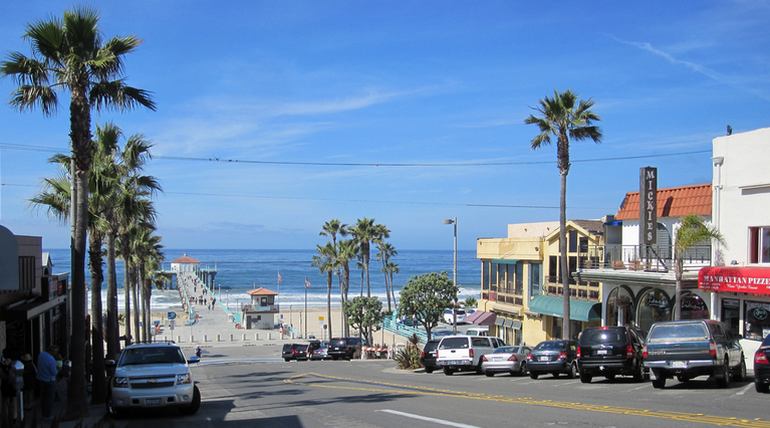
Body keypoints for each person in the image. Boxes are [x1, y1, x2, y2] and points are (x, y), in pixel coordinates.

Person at [36, 346, 58, 419]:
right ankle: (47, 415)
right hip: (49, 381)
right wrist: (58, 369)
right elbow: (54, 372)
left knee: (43, 398)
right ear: (52, 351)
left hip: (41, 379)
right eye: (55, 352)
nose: (56, 353)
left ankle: (43, 413)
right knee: (49, 399)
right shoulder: (51, 359)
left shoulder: (41, 355)